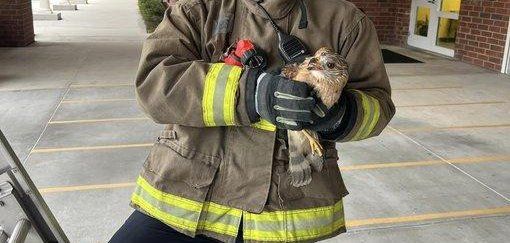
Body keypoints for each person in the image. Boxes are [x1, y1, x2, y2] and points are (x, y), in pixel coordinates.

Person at [110, 0, 395, 242]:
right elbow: (154, 83)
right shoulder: (199, 7)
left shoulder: (345, 21)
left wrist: (339, 115)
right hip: (181, 204)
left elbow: (378, 107)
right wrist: (250, 93)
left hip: (283, 219)